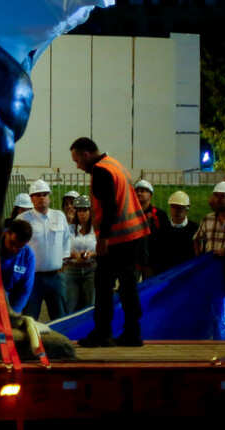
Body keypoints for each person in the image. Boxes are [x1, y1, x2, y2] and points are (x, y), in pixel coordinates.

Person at [70, 136, 149, 347]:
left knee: (104, 285)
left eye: (77, 160)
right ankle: (132, 332)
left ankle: (103, 332)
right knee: (127, 285)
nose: (77, 166)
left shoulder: (101, 171)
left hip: (117, 237)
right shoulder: (115, 164)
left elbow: (110, 207)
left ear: (86, 155)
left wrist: (103, 238)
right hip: (132, 234)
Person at [20, 179, 70, 321]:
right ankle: (30, 344)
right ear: (31, 198)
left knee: (60, 317)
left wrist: (64, 262)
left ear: (49, 197)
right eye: (37, 195)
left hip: (56, 277)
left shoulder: (59, 216)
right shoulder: (23, 219)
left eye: (44, 194)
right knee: (29, 318)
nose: (42, 197)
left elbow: (66, 240)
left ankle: (61, 342)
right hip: (32, 278)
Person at [153, 191, 200, 273]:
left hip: (187, 272)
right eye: (173, 207)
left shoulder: (194, 229)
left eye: (179, 208)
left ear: (186, 209)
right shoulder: (163, 228)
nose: (175, 211)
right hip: (167, 273)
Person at [194, 181, 225, 257]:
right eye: (216, 196)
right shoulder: (208, 219)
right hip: (211, 266)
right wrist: (199, 259)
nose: (217, 200)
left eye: (222, 196)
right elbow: (197, 239)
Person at [66, 196, 97, 311]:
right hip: (72, 269)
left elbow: (103, 248)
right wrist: (75, 256)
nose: (82, 213)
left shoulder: (96, 230)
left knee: (91, 304)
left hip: (91, 269)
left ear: (90, 211)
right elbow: (62, 250)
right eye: (79, 210)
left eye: (85, 210)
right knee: (70, 304)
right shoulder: (69, 229)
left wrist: (92, 254)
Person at [0, 219, 36, 315]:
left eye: (19, 247)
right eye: (12, 243)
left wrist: (13, 313)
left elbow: (25, 289)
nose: (14, 249)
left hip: (11, 305)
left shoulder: (28, 256)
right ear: (6, 233)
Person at [134, 179, 164, 278]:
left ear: (150, 195)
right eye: (137, 191)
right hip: (133, 263)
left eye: (142, 191)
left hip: (152, 264)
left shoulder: (159, 215)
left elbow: (165, 238)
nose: (139, 193)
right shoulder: (129, 214)